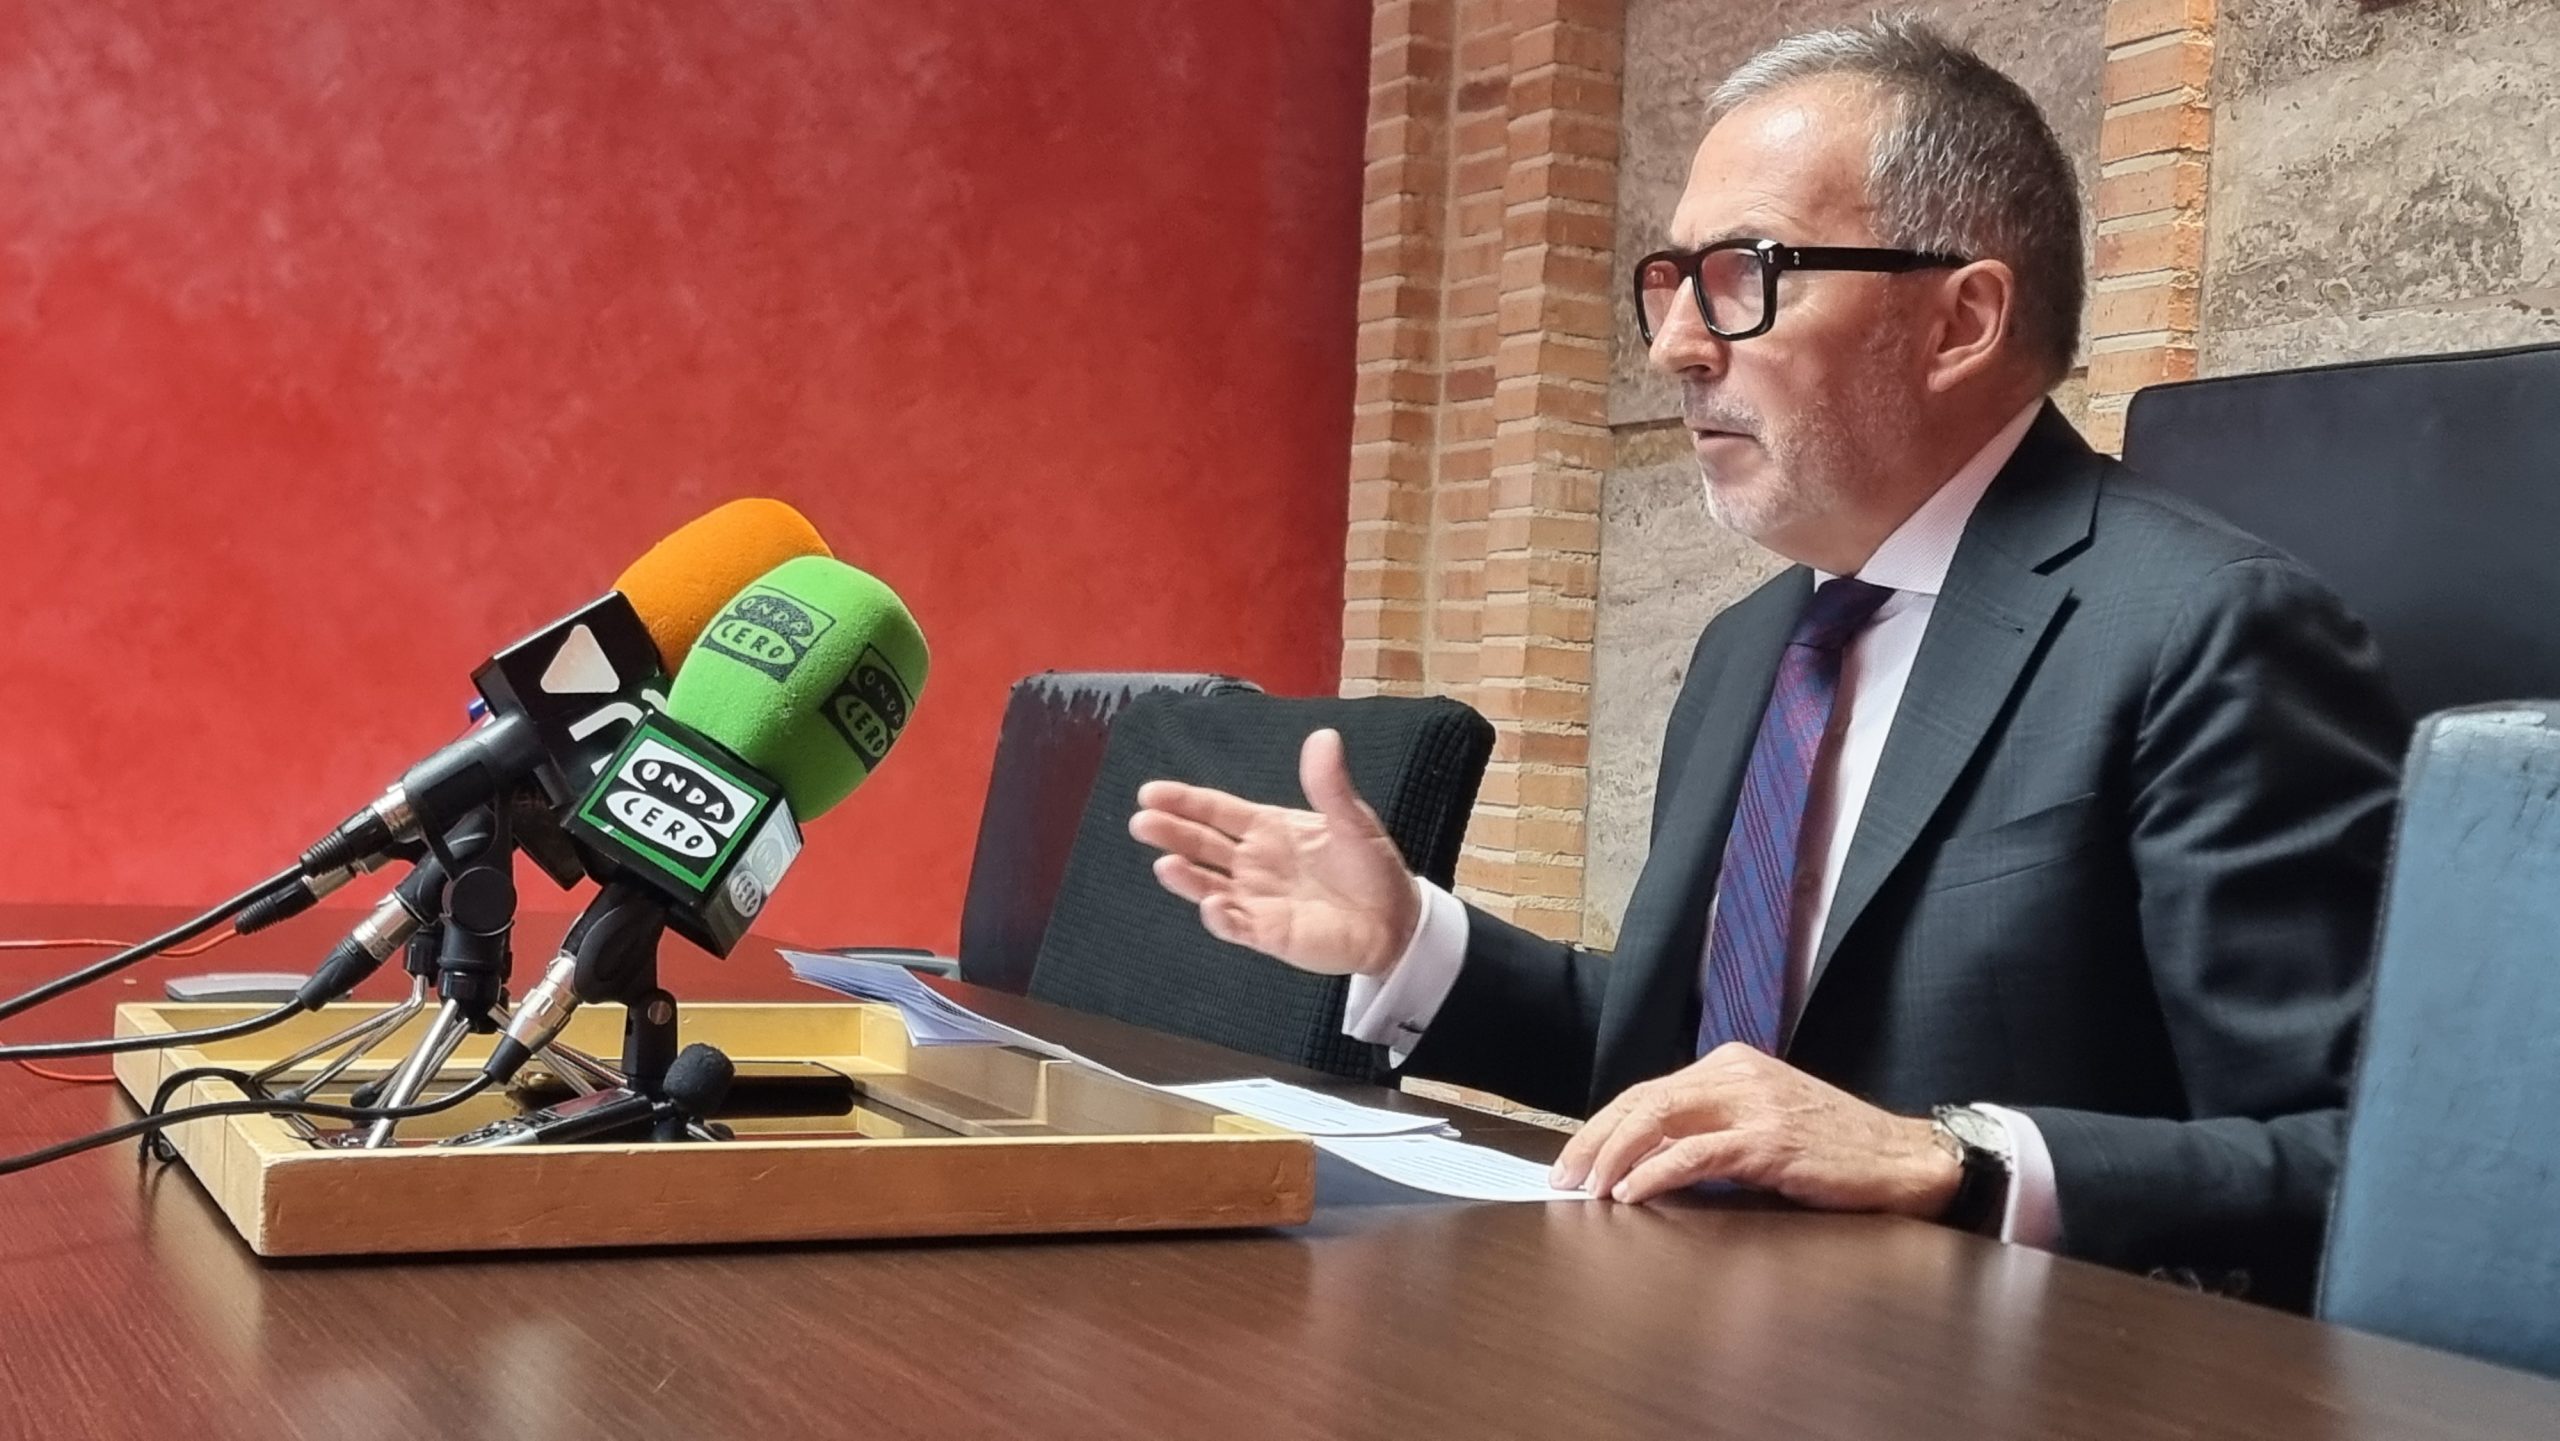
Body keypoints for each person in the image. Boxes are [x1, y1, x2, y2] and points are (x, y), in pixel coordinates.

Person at [1128, 17, 2403, 1307]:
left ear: (1961, 320)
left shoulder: (2204, 631)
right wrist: (1415, 943)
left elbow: (2368, 1160)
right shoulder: (1753, 648)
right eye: (1671, 279)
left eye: (1744, 274)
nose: (1676, 343)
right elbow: (1703, 1068)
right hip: (1695, 1333)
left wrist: (1962, 1160)